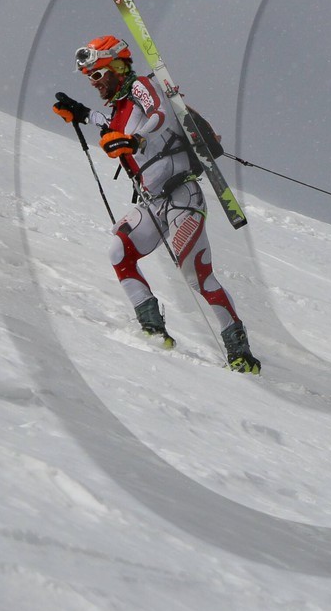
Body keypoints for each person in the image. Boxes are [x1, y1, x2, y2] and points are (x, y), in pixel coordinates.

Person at [54, 35, 260, 374]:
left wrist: (135, 139)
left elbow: (159, 115)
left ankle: (240, 351)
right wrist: (81, 114)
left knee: (197, 277)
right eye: (88, 77)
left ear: (116, 66)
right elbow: (113, 127)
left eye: (96, 74)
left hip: (182, 197)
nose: (93, 83)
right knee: (119, 253)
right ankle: (152, 328)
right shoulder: (120, 109)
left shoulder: (143, 86)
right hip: (153, 202)